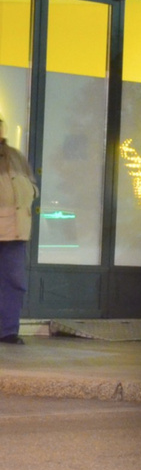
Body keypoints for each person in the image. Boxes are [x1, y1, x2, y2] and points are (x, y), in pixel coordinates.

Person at [0, 116, 36, 345]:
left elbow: (31, 182)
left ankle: (7, 330)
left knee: (14, 282)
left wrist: (30, 191)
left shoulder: (15, 156)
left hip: (15, 232)